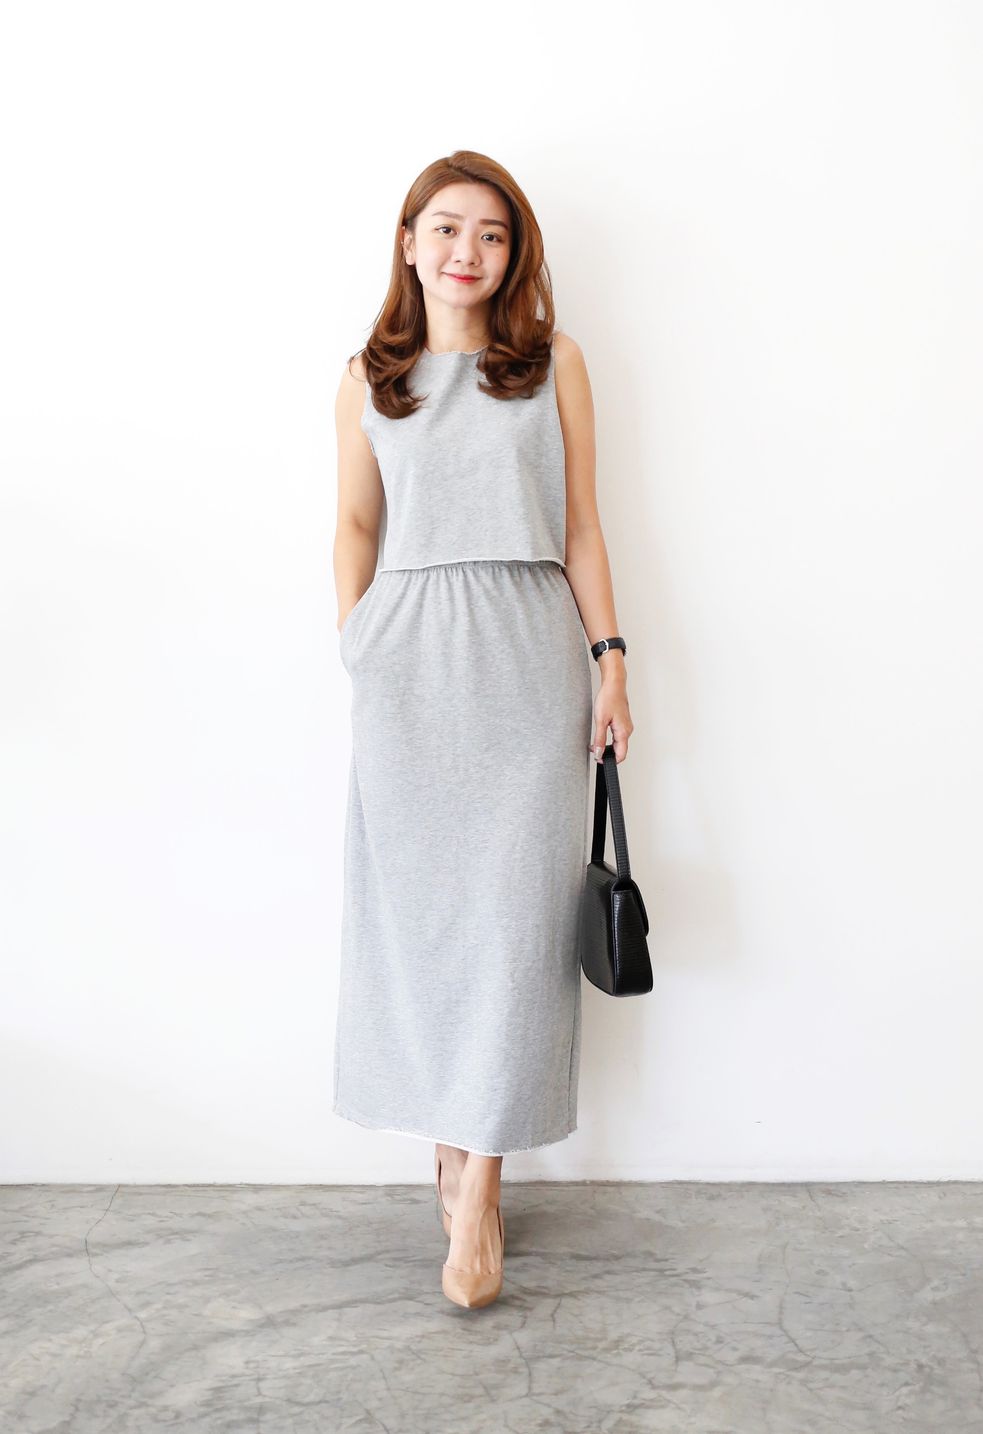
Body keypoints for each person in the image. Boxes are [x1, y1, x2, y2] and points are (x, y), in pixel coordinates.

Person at [331, 150, 633, 1308]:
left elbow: (582, 526)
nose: (469, 250)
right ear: (409, 243)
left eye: (494, 234)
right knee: (426, 925)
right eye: (448, 228)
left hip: (523, 655)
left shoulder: (555, 365)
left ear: (515, 256)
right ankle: (449, 1148)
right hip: (407, 666)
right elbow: (355, 524)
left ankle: (483, 1187)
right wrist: (358, 638)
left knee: (513, 927)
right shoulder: (367, 378)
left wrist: (610, 659)